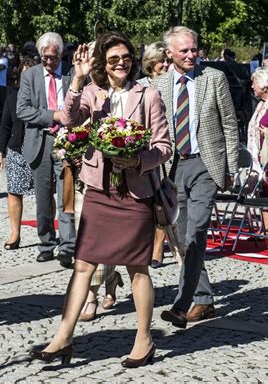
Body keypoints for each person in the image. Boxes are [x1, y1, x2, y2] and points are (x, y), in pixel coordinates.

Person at [30, 31, 172, 368]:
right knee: (82, 265)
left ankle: (144, 339)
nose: (121, 64)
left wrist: (138, 160)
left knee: (138, 268)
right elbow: (67, 120)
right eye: (113, 60)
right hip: (98, 191)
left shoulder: (148, 95)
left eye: (126, 58)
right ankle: (63, 337)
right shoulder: (91, 93)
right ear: (102, 65)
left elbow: (165, 146)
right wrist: (77, 79)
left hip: (135, 192)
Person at [154, 26, 239, 328]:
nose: (192, 55)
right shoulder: (159, 85)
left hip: (207, 165)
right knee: (182, 240)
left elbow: (230, 124)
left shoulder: (212, 78)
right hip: (173, 169)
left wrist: (230, 169)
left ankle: (181, 304)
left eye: (194, 49)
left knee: (196, 232)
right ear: (169, 54)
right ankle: (204, 300)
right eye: (184, 51)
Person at [16, 32, 76, 267]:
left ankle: (68, 245)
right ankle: (46, 243)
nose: (49, 62)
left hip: (67, 141)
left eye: (53, 57)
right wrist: (53, 115)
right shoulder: (30, 76)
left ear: (61, 54)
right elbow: (23, 110)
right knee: (43, 197)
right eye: (45, 58)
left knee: (66, 196)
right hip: (40, 141)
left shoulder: (72, 74)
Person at [0, 58, 37, 249]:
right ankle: (15, 234)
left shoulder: (44, 96)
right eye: (24, 72)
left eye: (31, 72)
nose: (27, 76)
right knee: (14, 192)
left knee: (45, 194)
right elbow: (4, 127)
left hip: (40, 150)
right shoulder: (12, 97)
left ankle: (48, 235)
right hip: (16, 150)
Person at [138, 41, 172, 269]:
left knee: (162, 200)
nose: (166, 64)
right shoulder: (139, 85)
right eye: (161, 61)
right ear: (151, 63)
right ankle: (143, 243)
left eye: (168, 60)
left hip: (167, 147)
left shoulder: (172, 84)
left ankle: (158, 247)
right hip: (144, 148)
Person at [246, 67, 268, 229]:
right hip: (259, 159)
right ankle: (266, 232)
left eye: (255, 83)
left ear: (265, 86)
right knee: (264, 194)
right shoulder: (261, 104)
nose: (252, 86)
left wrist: (266, 132)